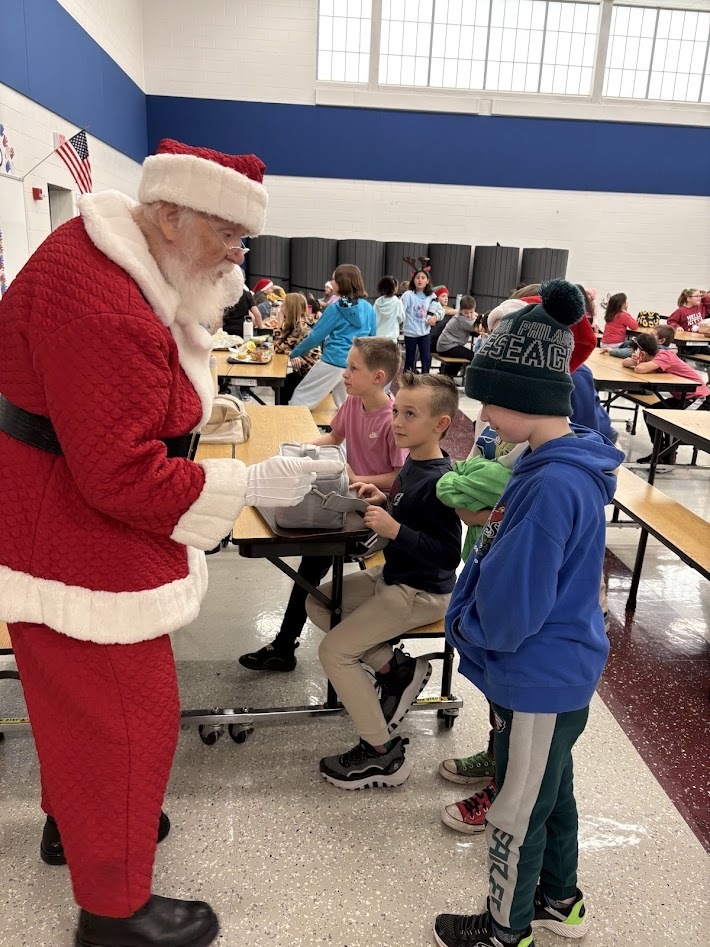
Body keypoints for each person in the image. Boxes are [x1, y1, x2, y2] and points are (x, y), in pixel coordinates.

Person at [0, 138, 342, 947]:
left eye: (242, 236)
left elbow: (102, 400)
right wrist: (247, 484)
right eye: (226, 233)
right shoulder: (107, 305)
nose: (238, 254)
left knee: (73, 711)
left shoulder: (104, 255)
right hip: (77, 542)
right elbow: (119, 473)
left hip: (46, 517)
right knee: (131, 722)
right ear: (169, 217)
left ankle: (78, 826)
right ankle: (114, 910)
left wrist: (193, 416)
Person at [434, 280, 624, 947]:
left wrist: (471, 629)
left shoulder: (548, 485)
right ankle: (559, 900)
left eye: (490, 400)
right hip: (554, 671)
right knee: (552, 792)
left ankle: (504, 930)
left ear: (527, 400)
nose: (482, 414)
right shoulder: (552, 462)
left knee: (515, 809)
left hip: (536, 673)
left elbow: (516, 601)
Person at [307, 373, 462, 789]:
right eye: (397, 411)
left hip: (421, 592)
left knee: (335, 652)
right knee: (319, 601)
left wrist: (395, 530)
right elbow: (409, 509)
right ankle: (394, 669)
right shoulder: (415, 461)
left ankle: (382, 753)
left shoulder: (441, 480)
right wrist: (385, 500)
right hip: (394, 575)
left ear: (440, 424)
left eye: (410, 414)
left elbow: (448, 554)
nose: (397, 421)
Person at [239, 337, 407, 672]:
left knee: (313, 562)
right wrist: (297, 455)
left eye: (353, 368)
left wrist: (358, 477)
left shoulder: (392, 420)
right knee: (311, 560)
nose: (344, 374)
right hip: (346, 503)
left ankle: (289, 646)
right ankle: (286, 645)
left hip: (374, 514)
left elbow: (399, 476)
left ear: (378, 377)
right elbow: (333, 438)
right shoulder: (353, 403)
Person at [289, 264, 376, 409]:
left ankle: (290, 424)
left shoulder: (335, 308)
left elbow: (315, 337)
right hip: (355, 365)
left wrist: (295, 353)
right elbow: (372, 339)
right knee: (347, 408)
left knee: (299, 401)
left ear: (342, 282)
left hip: (333, 361)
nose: (331, 282)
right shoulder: (368, 308)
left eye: (334, 279)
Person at [621, 332, 709, 465]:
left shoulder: (664, 356)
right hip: (684, 398)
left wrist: (638, 361)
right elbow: (625, 362)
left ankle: (668, 456)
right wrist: (636, 359)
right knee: (650, 413)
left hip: (699, 399)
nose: (632, 353)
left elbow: (639, 369)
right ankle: (660, 452)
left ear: (642, 353)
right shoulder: (654, 357)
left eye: (635, 352)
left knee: (671, 423)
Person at [272, 292, 321, 404]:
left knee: (280, 387)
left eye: (283, 306)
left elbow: (278, 348)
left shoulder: (300, 327)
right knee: (279, 385)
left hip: (310, 375)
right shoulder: (302, 321)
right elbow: (286, 345)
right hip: (308, 371)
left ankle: (284, 413)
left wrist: (278, 325)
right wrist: (290, 352)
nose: (281, 309)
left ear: (290, 308)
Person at [401, 257, 443, 373]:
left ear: (427, 281)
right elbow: (400, 311)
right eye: (417, 278)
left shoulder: (432, 296)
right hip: (410, 333)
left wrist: (435, 317)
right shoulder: (408, 295)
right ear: (413, 280)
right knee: (410, 359)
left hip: (424, 333)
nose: (420, 280)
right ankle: (407, 380)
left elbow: (441, 310)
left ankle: (425, 380)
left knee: (426, 359)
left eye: (423, 278)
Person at [436, 294, 478, 375]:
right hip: (447, 346)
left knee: (458, 361)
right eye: (466, 312)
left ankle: (446, 375)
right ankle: (467, 374)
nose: (469, 315)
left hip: (444, 346)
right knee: (472, 356)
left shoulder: (460, 316)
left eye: (471, 312)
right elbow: (478, 328)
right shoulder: (462, 319)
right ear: (460, 310)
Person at [373, 275, 405, 342]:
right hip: (391, 338)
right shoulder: (397, 302)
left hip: (378, 336)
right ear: (394, 288)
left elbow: (373, 316)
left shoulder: (378, 301)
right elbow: (401, 318)